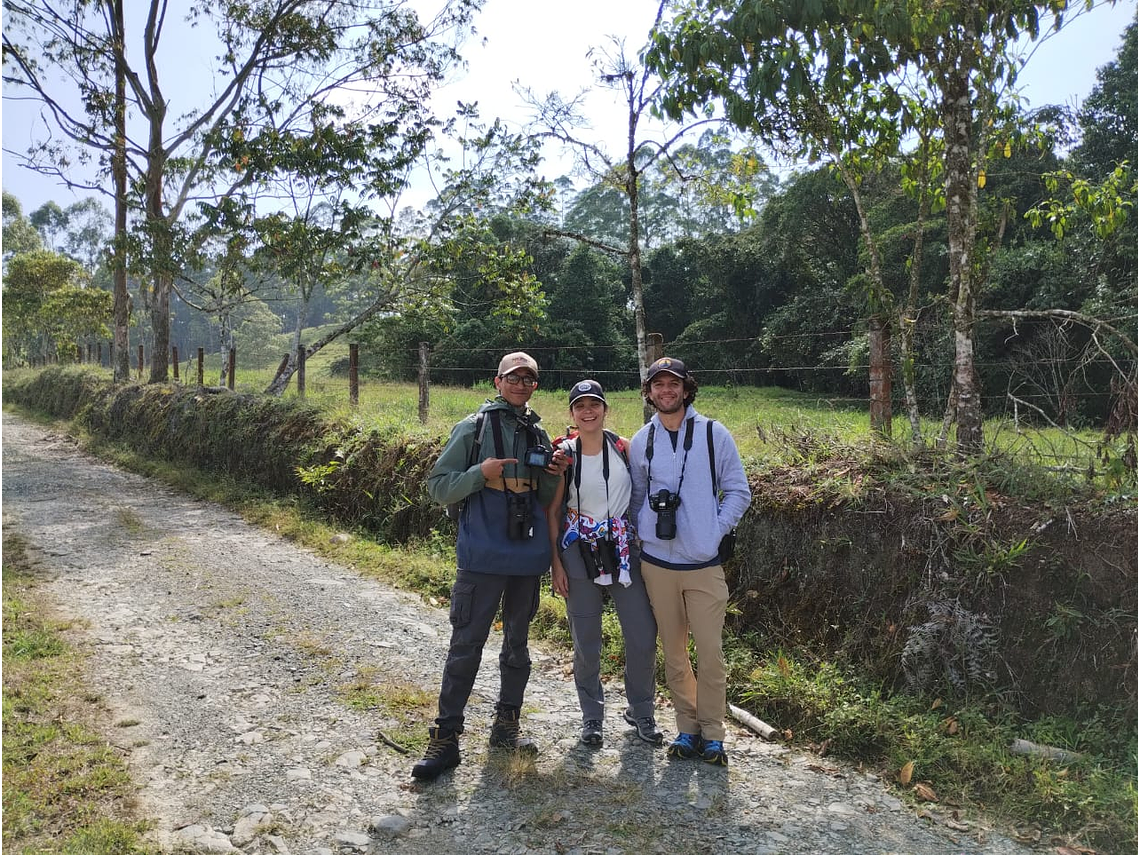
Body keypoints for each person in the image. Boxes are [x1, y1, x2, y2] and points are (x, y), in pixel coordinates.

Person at [413, 351, 570, 781]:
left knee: (517, 646)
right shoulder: (473, 428)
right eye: (514, 377)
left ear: (535, 385)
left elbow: (542, 499)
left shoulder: (539, 435)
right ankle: (445, 739)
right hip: (481, 557)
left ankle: (506, 726)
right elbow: (438, 488)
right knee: (466, 646)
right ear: (497, 381)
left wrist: (555, 473)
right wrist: (481, 473)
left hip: (525, 558)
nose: (521, 384)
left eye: (529, 379)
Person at [628, 357, 751, 766]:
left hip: (702, 563)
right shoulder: (642, 440)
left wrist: (711, 531)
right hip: (657, 564)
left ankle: (713, 733)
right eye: (658, 385)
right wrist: (645, 528)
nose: (666, 391)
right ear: (648, 391)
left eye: (673, 384)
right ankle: (687, 728)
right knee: (675, 653)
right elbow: (636, 496)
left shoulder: (715, 435)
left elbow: (738, 491)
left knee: (711, 652)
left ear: (686, 388)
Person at [547, 379, 663, 748]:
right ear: (571, 414)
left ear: (605, 409)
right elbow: (552, 511)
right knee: (587, 641)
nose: (588, 411)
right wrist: (556, 565)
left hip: (624, 551)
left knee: (642, 636)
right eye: (580, 406)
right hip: (578, 550)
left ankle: (641, 710)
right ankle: (592, 717)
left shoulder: (624, 449)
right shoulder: (564, 455)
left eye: (594, 404)